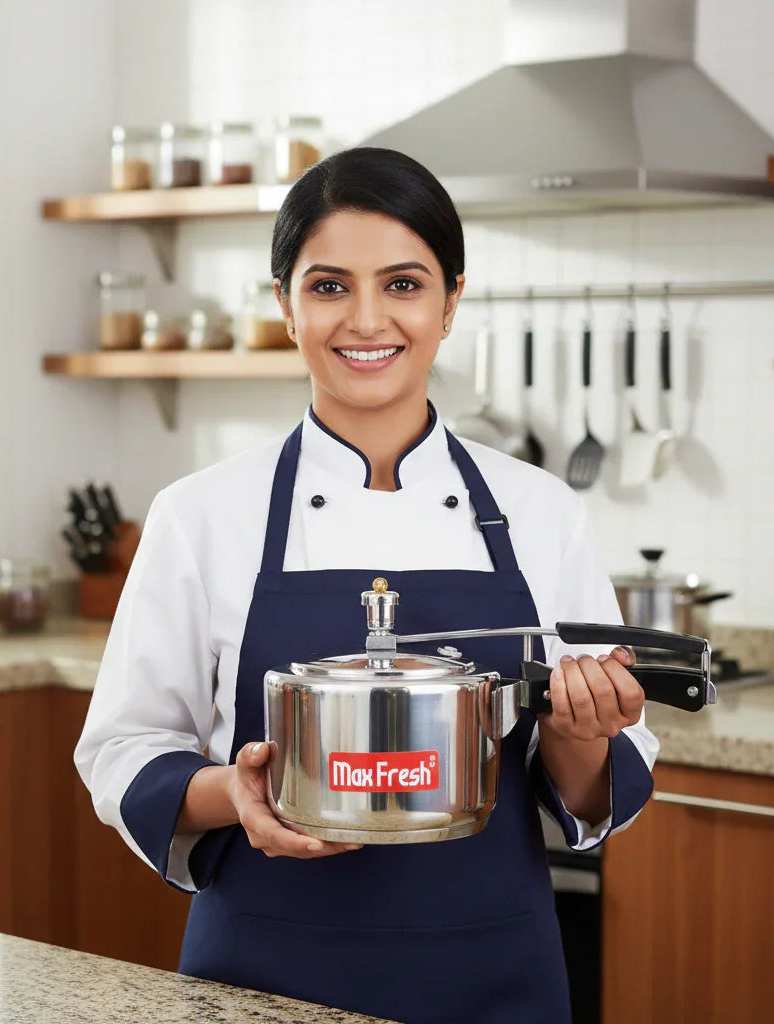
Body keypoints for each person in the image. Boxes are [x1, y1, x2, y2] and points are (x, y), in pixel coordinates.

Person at [74, 147, 658, 1024]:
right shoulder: (200, 513)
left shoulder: (543, 512)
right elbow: (123, 751)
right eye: (329, 286)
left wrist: (583, 732)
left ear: (451, 301)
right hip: (261, 972)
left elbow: (594, 785)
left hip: (491, 969)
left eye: (404, 284)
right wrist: (233, 790)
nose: (367, 319)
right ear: (285, 303)